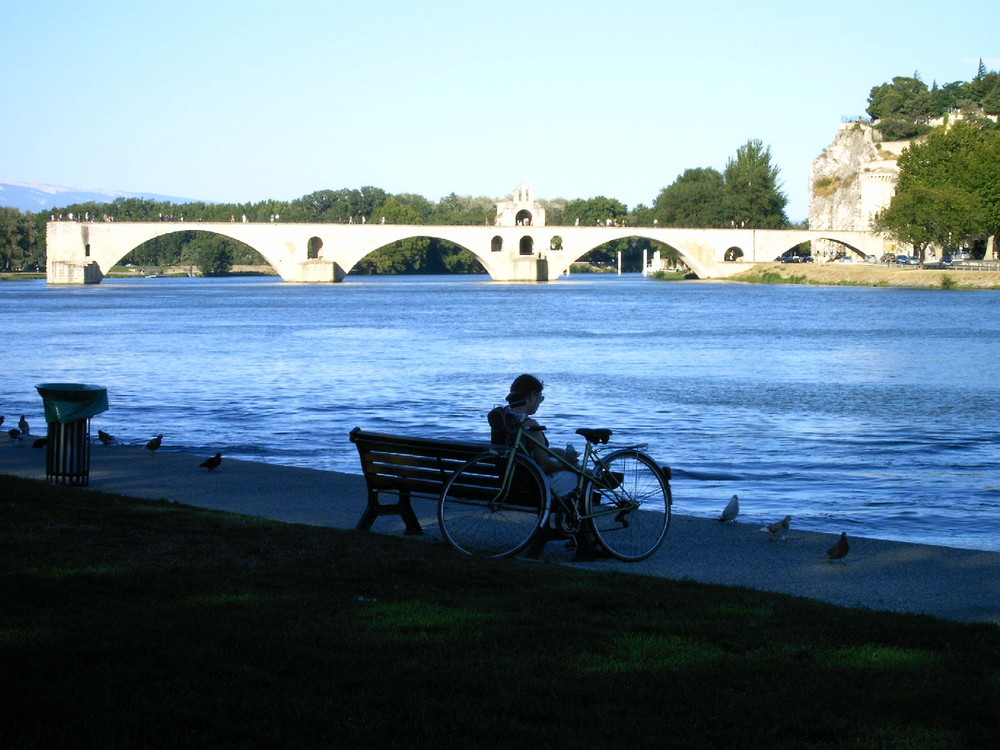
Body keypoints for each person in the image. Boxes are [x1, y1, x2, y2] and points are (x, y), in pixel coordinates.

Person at [489, 374, 578, 498]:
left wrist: (553, 452)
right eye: (540, 398)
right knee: (579, 476)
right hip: (531, 485)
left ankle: (595, 475)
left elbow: (522, 452)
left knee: (562, 459)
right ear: (532, 396)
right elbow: (545, 465)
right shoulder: (530, 425)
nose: (539, 403)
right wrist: (568, 464)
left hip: (507, 479)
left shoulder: (501, 417)